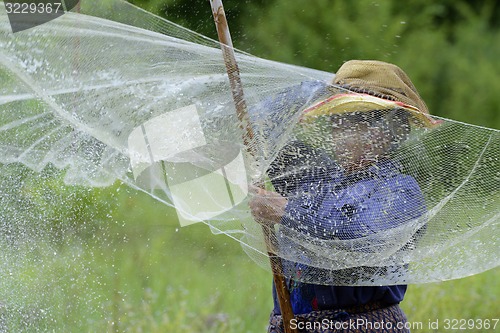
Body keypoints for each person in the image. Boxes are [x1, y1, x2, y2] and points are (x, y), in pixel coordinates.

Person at [249, 60, 437, 333]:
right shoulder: (319, 177)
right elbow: (259, 129)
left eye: (349, 124)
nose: (337, 135)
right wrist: (315, 90)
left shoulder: (400, 191)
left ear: (384, 133)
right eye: (335, 123)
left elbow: (360, 240)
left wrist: (286, 212)